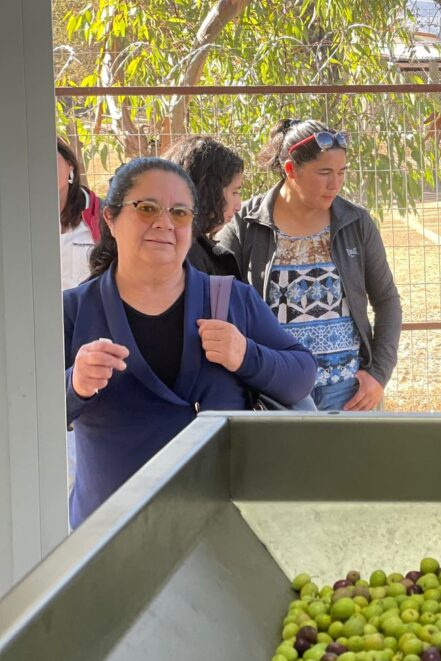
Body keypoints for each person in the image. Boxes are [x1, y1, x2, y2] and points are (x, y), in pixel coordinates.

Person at [64, 158, 316, 527]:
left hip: (216, 528)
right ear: (111, 219)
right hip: (109, 538)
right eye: (147, 208)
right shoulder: (74, 310)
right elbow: (25, 413)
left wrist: (245, 355)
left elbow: (302, 375)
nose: (164, 223)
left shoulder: (231, 300)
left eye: (180, 213)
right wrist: (75, 384)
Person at [219, 119, 402, 411]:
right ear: (291, 170)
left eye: (341, 172)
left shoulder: (356, 222)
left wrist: (379, 373)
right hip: (274, 393)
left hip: (348, 393)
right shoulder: (245, 225)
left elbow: (387, 299)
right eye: (324, 172)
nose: (336, 183)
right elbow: (219, 301)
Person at [161, 135, 244, 278]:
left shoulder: (183, 246)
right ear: (210, 190)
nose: (238, 205)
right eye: (234, 192)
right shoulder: (187, 257)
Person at [57, 137, 102, 289]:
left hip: (88, 310)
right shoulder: (17, 220)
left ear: (70, 166)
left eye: (49, 160)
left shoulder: (103, 215)